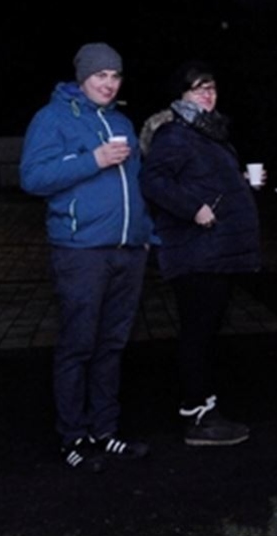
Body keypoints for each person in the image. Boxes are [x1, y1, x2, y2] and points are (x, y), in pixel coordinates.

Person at [19, 42, 152, 472]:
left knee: (113, 345)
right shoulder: (52, 118)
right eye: (101, 76)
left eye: (115, 77)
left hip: (127, 252)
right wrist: (91, 159)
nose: (109, 84)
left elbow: (136, 186)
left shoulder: (121, 121)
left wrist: (145, 235)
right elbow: (33, 177)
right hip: (80, 252)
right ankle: (72, 436)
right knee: (79, 345)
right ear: (82, 78)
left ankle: (105, 431)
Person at [139, 61, 261, 447]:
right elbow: (153, 180)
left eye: (211, 88)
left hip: (215, 251)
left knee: (206, 333)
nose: (207, 95)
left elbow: (204, 180)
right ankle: (197, 416)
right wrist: (193, 207)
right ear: (181, 96)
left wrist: (238, 183)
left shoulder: (209, 134)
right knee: (198, 334)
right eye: (197, 89)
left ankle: (205, 407)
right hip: (195, 253)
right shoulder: (176, 134)